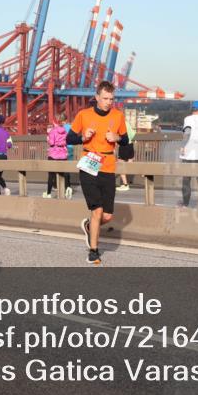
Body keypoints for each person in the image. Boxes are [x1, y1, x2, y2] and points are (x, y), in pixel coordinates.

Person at [67, 81, 130, 265]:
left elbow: (126, 140)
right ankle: (93, 251)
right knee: (97, 210)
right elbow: (69, 138)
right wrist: (82, 137)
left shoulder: (118, 116)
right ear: (96, 98)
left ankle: (88, 226)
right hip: (89, 163)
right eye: (105, 98)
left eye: (111, 99)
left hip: (109, 165)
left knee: (107, 216)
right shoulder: (83, 115)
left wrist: (116, 138)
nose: (108, 102)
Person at [179, 101, 198, 208]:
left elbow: (187, 133)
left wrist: (183, 146)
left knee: (186, 180)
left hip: (188, 153)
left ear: (192, 109)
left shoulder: (187, 119)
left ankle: (185, 203)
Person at [44, 113, 72, 199]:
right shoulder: (65, 131)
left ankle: (48, 193)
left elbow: (51, 143)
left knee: (51, 175)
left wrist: (48, 138)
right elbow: (67, 141)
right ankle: (67, 188)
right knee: (63, 173)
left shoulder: (53, 131)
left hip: (54, 154)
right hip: (63, 154)